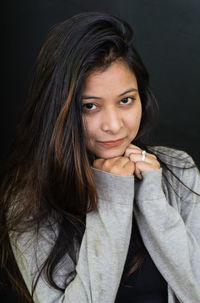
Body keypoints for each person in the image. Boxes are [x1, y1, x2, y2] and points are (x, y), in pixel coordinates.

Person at [0, 11, 199, 303]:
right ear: (60, 111)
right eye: (90, 106)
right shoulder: (30, 200)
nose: (114, 125)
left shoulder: (179, 170)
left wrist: (153, 200)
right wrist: (111, 197)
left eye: (126, 100)